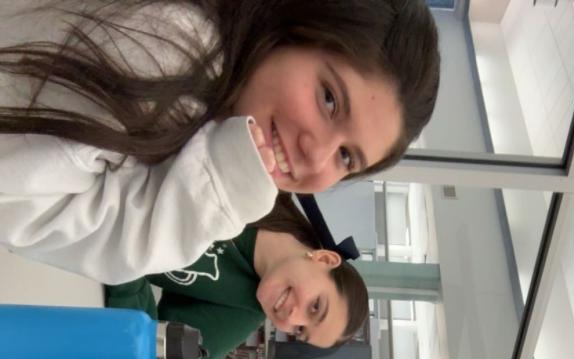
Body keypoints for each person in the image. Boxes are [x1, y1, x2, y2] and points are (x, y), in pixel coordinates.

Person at [0, 0, 440, 282]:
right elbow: (17, 201)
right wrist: (219, 190)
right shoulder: (173, 47)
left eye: (346, 157)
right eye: (329, 99)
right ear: (298, 26)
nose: (316, 154)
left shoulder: (214, 105)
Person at [105, 195, 369, 359]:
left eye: (299, 330)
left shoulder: (243, 313)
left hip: (89, 236)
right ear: (325, 259)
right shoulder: (258, 187)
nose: (292, 318)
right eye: (315, 307)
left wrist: (126, 263)